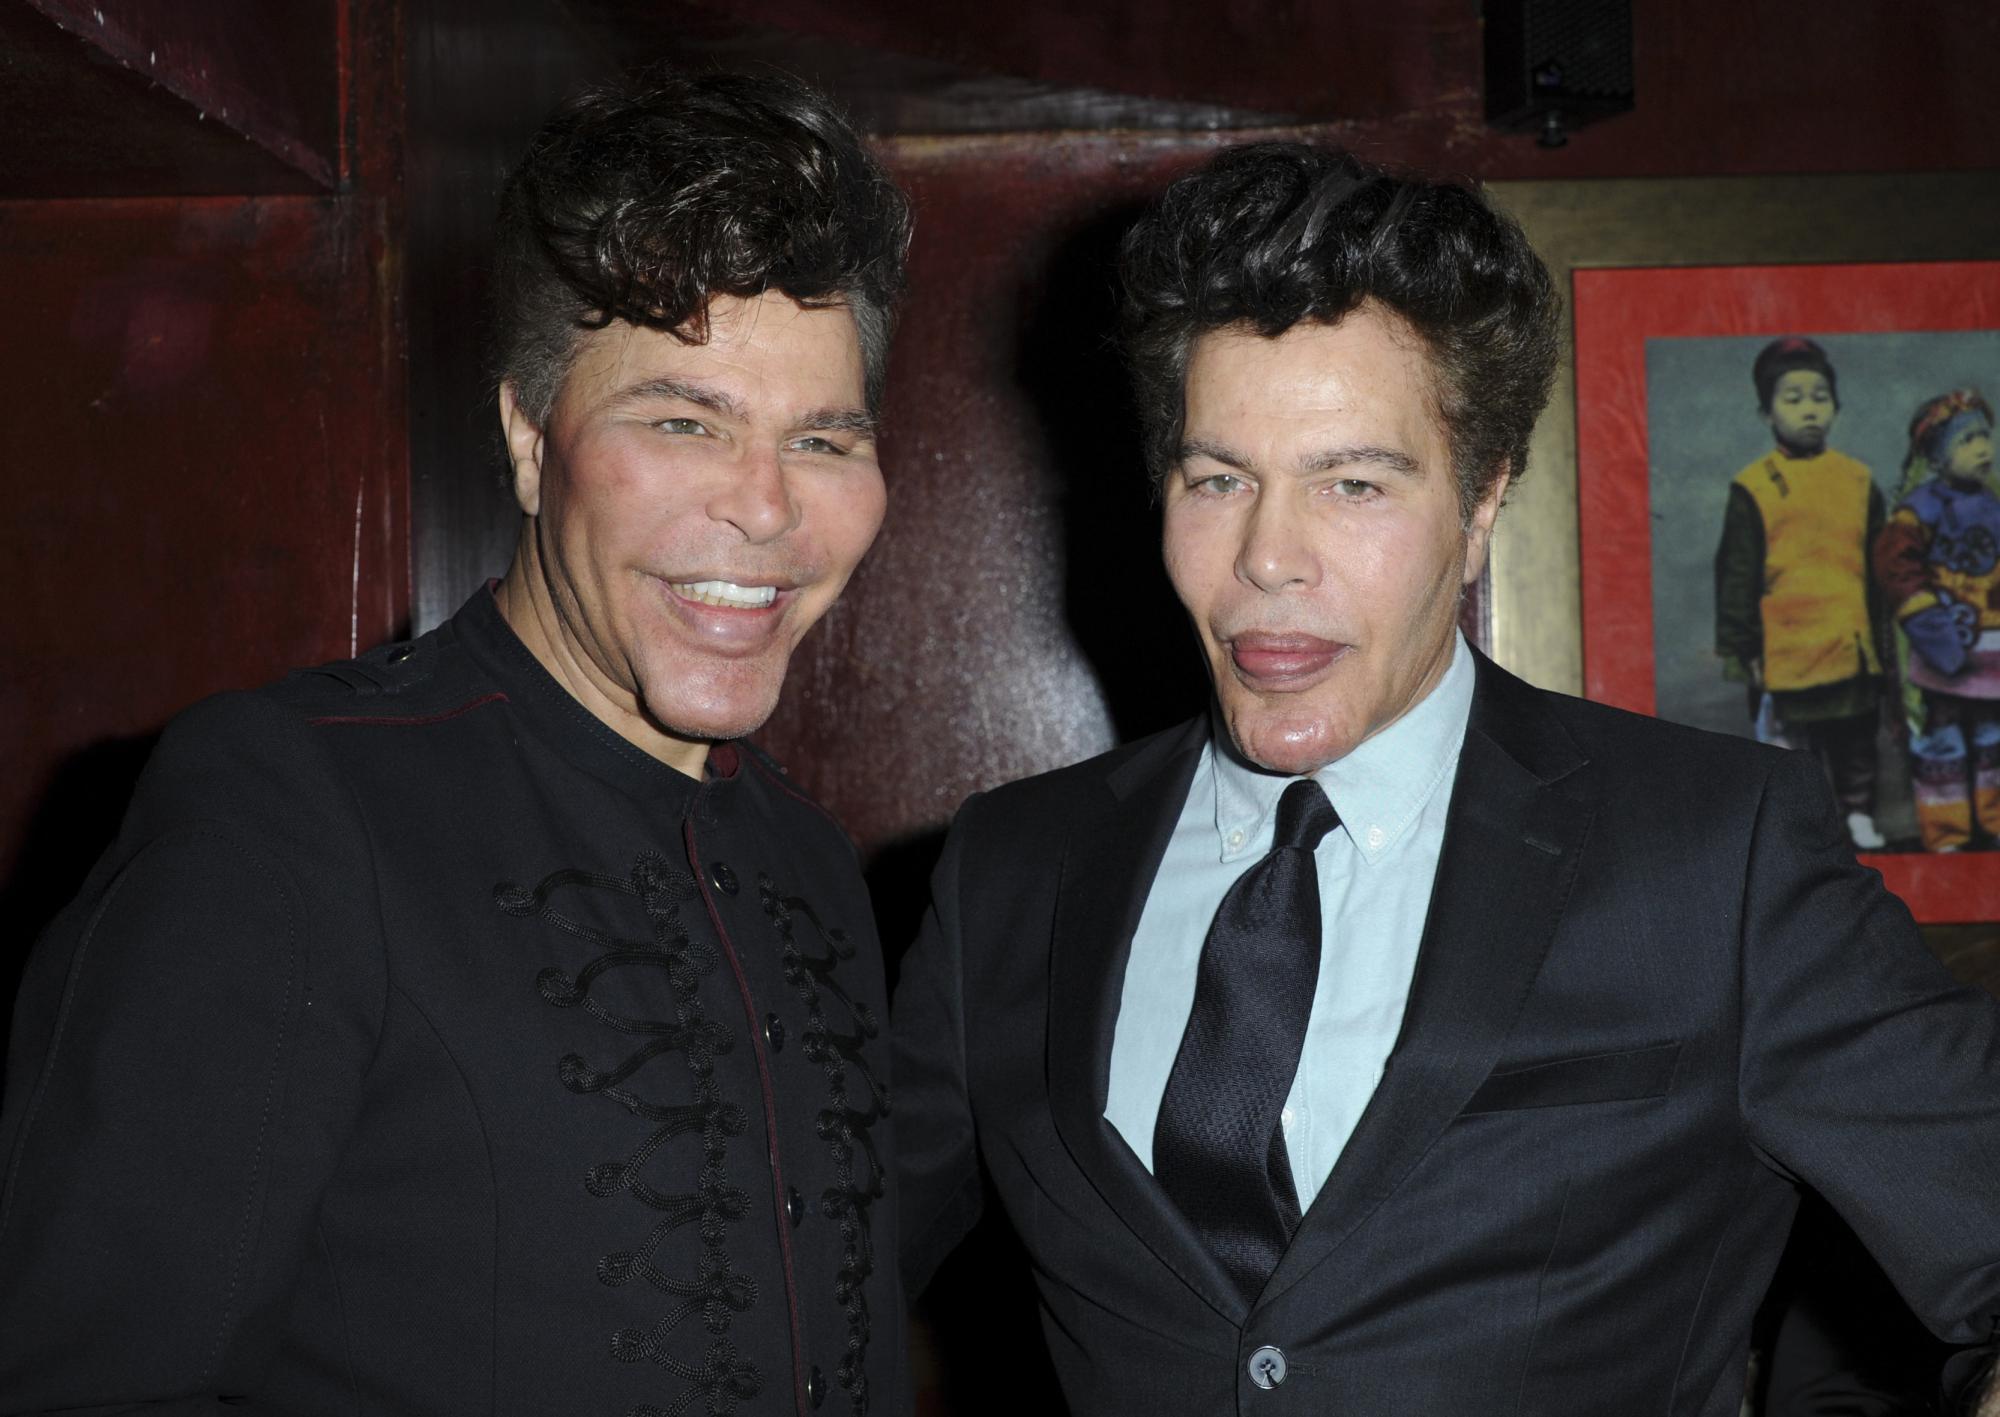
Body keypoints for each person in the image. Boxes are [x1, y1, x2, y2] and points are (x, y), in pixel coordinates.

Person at [892, 143, 2000, 1415]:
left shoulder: (1716, 853)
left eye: (1352, 483)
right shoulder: (1009, 870)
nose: (1266, 557)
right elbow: (805, 1288)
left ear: (1480, 504)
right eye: (1217, 479)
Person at [0, 70, 911, 1415]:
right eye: (682, 421)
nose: (767, 509)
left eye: (823, 439)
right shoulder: (292, 806)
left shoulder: (816, 863)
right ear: (530, 441)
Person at [1714, 337, 1892, 850]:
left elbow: (1879, 571)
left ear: (1835, 407)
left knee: (1856, 737)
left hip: (1851, 641)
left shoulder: (1858, 480)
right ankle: (1805, 833)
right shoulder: (1754, 486)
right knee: (1795, 750)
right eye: (1793, 399)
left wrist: (1884, 643)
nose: (1809, 409)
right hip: (1788, 648)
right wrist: (1744, 647)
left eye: (1820, 397)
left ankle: (1859, 812)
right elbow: (1736, 573)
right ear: (1767, 412)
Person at [1872, 389, 2000, 852]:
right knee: (1941, 740)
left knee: (1994, 740)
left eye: (1984, 437)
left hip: (1994, 656)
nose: (1983, 449)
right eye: (1967, 441)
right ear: (1938, 456)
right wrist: (1937, 637)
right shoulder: (1919, 510)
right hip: (1943, 653)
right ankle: (1946, 836)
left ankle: (1995, 824)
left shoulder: (1995, 502)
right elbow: (1897, 570)